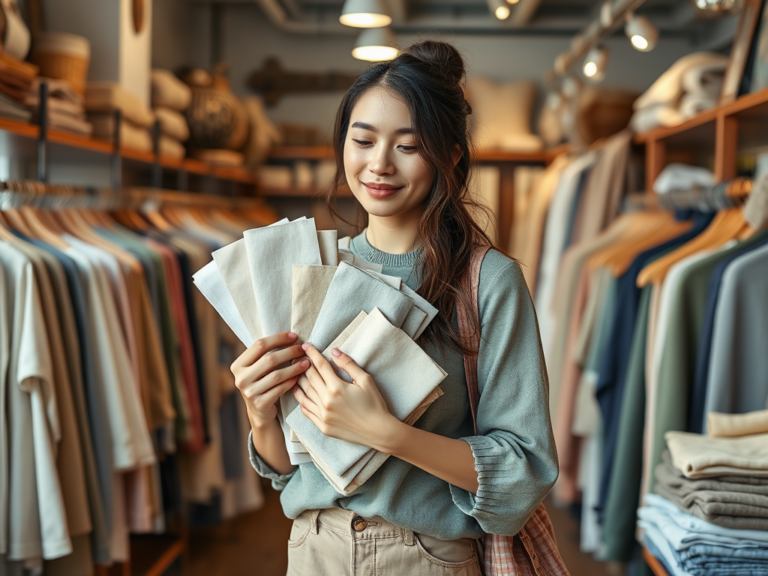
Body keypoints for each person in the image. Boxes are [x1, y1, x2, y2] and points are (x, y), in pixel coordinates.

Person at [230, 40, 558, 575]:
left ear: (450, 154)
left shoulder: (488, 280)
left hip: (426, 558)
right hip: (312, 550)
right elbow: (291, 473)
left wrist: (387, 433)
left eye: (408, 145)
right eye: (362, 140)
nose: (378, 164)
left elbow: (526, 469)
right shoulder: (313, 267)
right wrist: (259, 412)